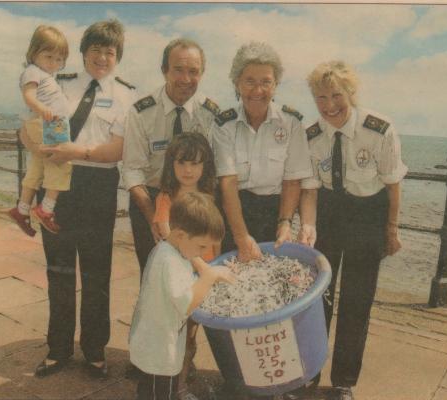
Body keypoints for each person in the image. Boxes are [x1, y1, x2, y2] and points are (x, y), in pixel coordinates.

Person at [20, 20, 137, 379]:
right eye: (96, 49)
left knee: (97, 272)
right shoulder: (57, 83)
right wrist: (39, 148)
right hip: (57, 185)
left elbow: (119, 149)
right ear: (83, 52)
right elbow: (26, 127)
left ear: (117, 57)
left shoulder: (125, 95)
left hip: (98, 188)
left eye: (110, 51)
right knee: (58, 271)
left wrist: (76, 150)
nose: (102, 57)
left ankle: (94, 350)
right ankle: (57, 349)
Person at [298, 61, 407, 400]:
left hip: (368, 216)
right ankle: (309, 373)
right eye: (320, 97)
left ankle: (344, 381)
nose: (329, 105)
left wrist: (391, 229)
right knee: (319, 298)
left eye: (336, 95)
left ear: (351, 93)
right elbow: (311, 190)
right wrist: (309, 228)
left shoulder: (379, 128)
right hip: (329, 212)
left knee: (357, 303)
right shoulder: (312, 135)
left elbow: (392, 185)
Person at [211, 41, 314, 399]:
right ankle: (236, 380)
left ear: (276, 84)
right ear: (237, 83)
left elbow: (292, 179)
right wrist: (240, 237)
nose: (258, 90)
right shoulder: (223, 124)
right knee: (231, 295)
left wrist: (285, 221)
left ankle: (277, 381)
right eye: (250, 81)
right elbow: (227, 183)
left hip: (275, 213)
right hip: (234, 211)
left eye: (266, 81)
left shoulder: (292, 122)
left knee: (278, 298)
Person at [122, 38, 221, 276]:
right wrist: (152, 216)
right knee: (154, 277)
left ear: (202, 73)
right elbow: (132, 170)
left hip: (198, 202)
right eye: (178, 70)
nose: (186, 79)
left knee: (198, 276)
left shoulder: (211, 114)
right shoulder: (141, 112)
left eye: (193, 72)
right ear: (164, 70)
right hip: (151, 199)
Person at [129, 192, 236, 400]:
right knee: (160, 394)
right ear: (179, 235)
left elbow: (188, 279)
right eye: (202, 246)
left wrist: (208, 274)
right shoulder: (170, 262)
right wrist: (209, 277)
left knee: (149, 392)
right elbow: (186, 304)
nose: (204, 252)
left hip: (155, 343)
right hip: (160, 350)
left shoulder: (172, 250)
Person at [153, 133, 219, 399]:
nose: (188, 170)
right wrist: (201, 266)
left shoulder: (209, 196)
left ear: (205, 167)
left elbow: (216, 237)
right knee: (177, 335)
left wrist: (216, 267)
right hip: (182, 276)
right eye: (181, 163)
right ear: (171, 165)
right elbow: (170, 235)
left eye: (195, 163)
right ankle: (177, 388)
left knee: (192, 335)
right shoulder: (166, 198)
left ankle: (185, 371)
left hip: (206, 273)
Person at [8, 25, 71, 236]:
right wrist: (44, 111)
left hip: (44, 122)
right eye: (48, 56)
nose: (54, 63)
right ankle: (45, 210)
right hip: (50, 122)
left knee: (38, 165)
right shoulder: (33, 71)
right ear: (34, 52)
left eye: (59, 59)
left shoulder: (44, 74)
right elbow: (29, 96)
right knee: (61, 162)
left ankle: (22, 209)